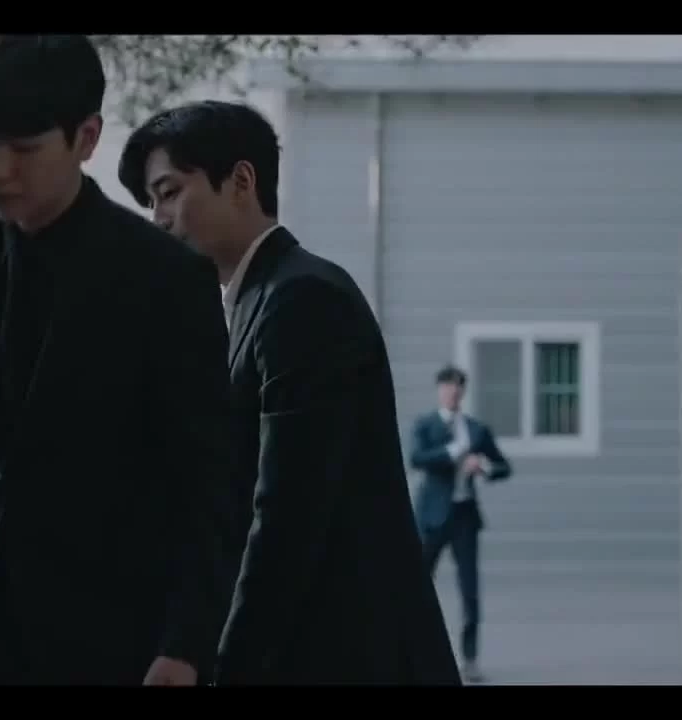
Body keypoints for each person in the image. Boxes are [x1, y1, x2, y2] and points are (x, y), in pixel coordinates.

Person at [0, 35, 240, 686]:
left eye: (24, 149)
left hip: (117, 636)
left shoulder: (166, 277)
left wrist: (187, 645)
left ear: (86, 138)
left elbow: (211, 480)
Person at [118, 100, 461, 686]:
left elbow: (285, 515)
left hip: (350, 653)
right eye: (151, 203)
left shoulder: (302, 299)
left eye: (169, 192)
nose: (159, 219)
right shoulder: (255, 302)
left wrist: (225, 664)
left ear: (241, 181)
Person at [408, 364, 512, 683]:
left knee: (470, 590)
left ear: (463, 391)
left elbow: (504, 466)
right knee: (416, 585)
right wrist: (454, 451)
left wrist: (483, 466)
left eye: (458, 387)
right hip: (432, 517)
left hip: (465, 516)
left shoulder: (476, 429)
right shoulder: (425, 425)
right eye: (448, 387)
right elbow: (417, 458)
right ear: (439, 390)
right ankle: (412, 652)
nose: (453, 392)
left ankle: (470, 659)